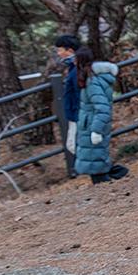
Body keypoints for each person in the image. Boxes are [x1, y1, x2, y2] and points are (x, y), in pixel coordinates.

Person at [73, 47, 129, 184]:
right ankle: (117, 175)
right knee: (95, 159)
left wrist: (96, 130)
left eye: (75, 59)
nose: (73, 62)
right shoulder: (91, 78)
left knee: (95, 162)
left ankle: (108, 184)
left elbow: (102, 108)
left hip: (93, 125)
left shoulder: (92, 82)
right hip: (90, 124)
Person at [53, 35, 80, 172]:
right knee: (75, 144)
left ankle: (101, 171)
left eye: (60, 50)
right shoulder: (72, 67)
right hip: (75, 111)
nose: (58, 54)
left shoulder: (76, 68)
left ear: (69, 50)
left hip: (77, 111)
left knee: (74, 144)